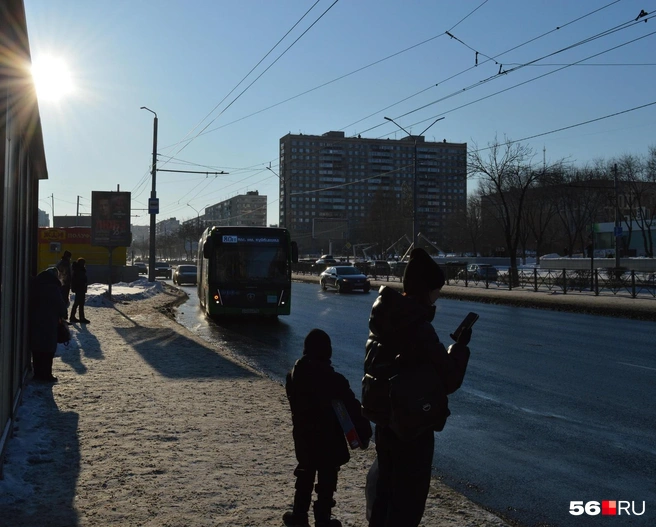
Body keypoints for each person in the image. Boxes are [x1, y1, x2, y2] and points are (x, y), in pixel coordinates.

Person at [363, 248, 471, 527]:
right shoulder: (418, 327)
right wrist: (459, 349)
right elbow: (448, 380)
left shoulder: (385, 317)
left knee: (385, 492)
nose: (438, 296)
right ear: (426, 291)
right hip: (412, 426)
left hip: (386, 421)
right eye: (436, 290)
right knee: (407, 502)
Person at [284, 329, 372, 527]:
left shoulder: (293, 377)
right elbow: (353, 409)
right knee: (327, 481)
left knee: (305, 474)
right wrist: (365, 434)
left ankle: (299, 516)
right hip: (329, 441)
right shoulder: (335, 380)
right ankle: (323, 520)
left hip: (304, 438)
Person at [29, 268, 67, 382]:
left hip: (34, 321)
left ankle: (37, 374)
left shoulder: (35, 285)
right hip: (49, 323)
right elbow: (61, 306)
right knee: (48, 349)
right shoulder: (53, 288)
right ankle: (46, 374)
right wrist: (63, 314)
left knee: (37, 348)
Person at [70, 257, 90, 324]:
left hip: (79, 289)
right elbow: (78, 280)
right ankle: (79, 317)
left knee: (78, 303)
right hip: (80, 289)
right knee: (79, 303)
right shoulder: (79, 270)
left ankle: (74, 317)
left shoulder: (78, 270)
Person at [55, 250, 72, 319]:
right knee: (64, 299)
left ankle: (62, 315)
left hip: (62, 283)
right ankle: (63, 315)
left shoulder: (61, 262)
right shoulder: (65, 263)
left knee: (63, 299)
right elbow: (65, 274)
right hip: (64, 284)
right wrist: (66, 282)